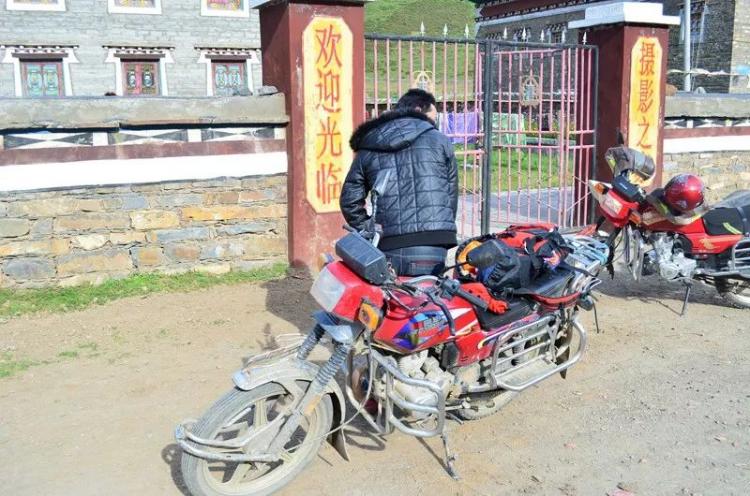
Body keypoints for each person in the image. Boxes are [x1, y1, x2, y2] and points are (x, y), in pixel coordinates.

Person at [340, 89, 458, 276]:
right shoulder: (440, 141)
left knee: (389, 301)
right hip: (435, 244)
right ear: (419, 109)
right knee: (430, 302)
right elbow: (450, 196)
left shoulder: (370, 143)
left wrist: (368, 229)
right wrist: (440, 227)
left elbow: (349, 200)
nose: (434, 124)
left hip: (388, 244)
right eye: (433, 118)